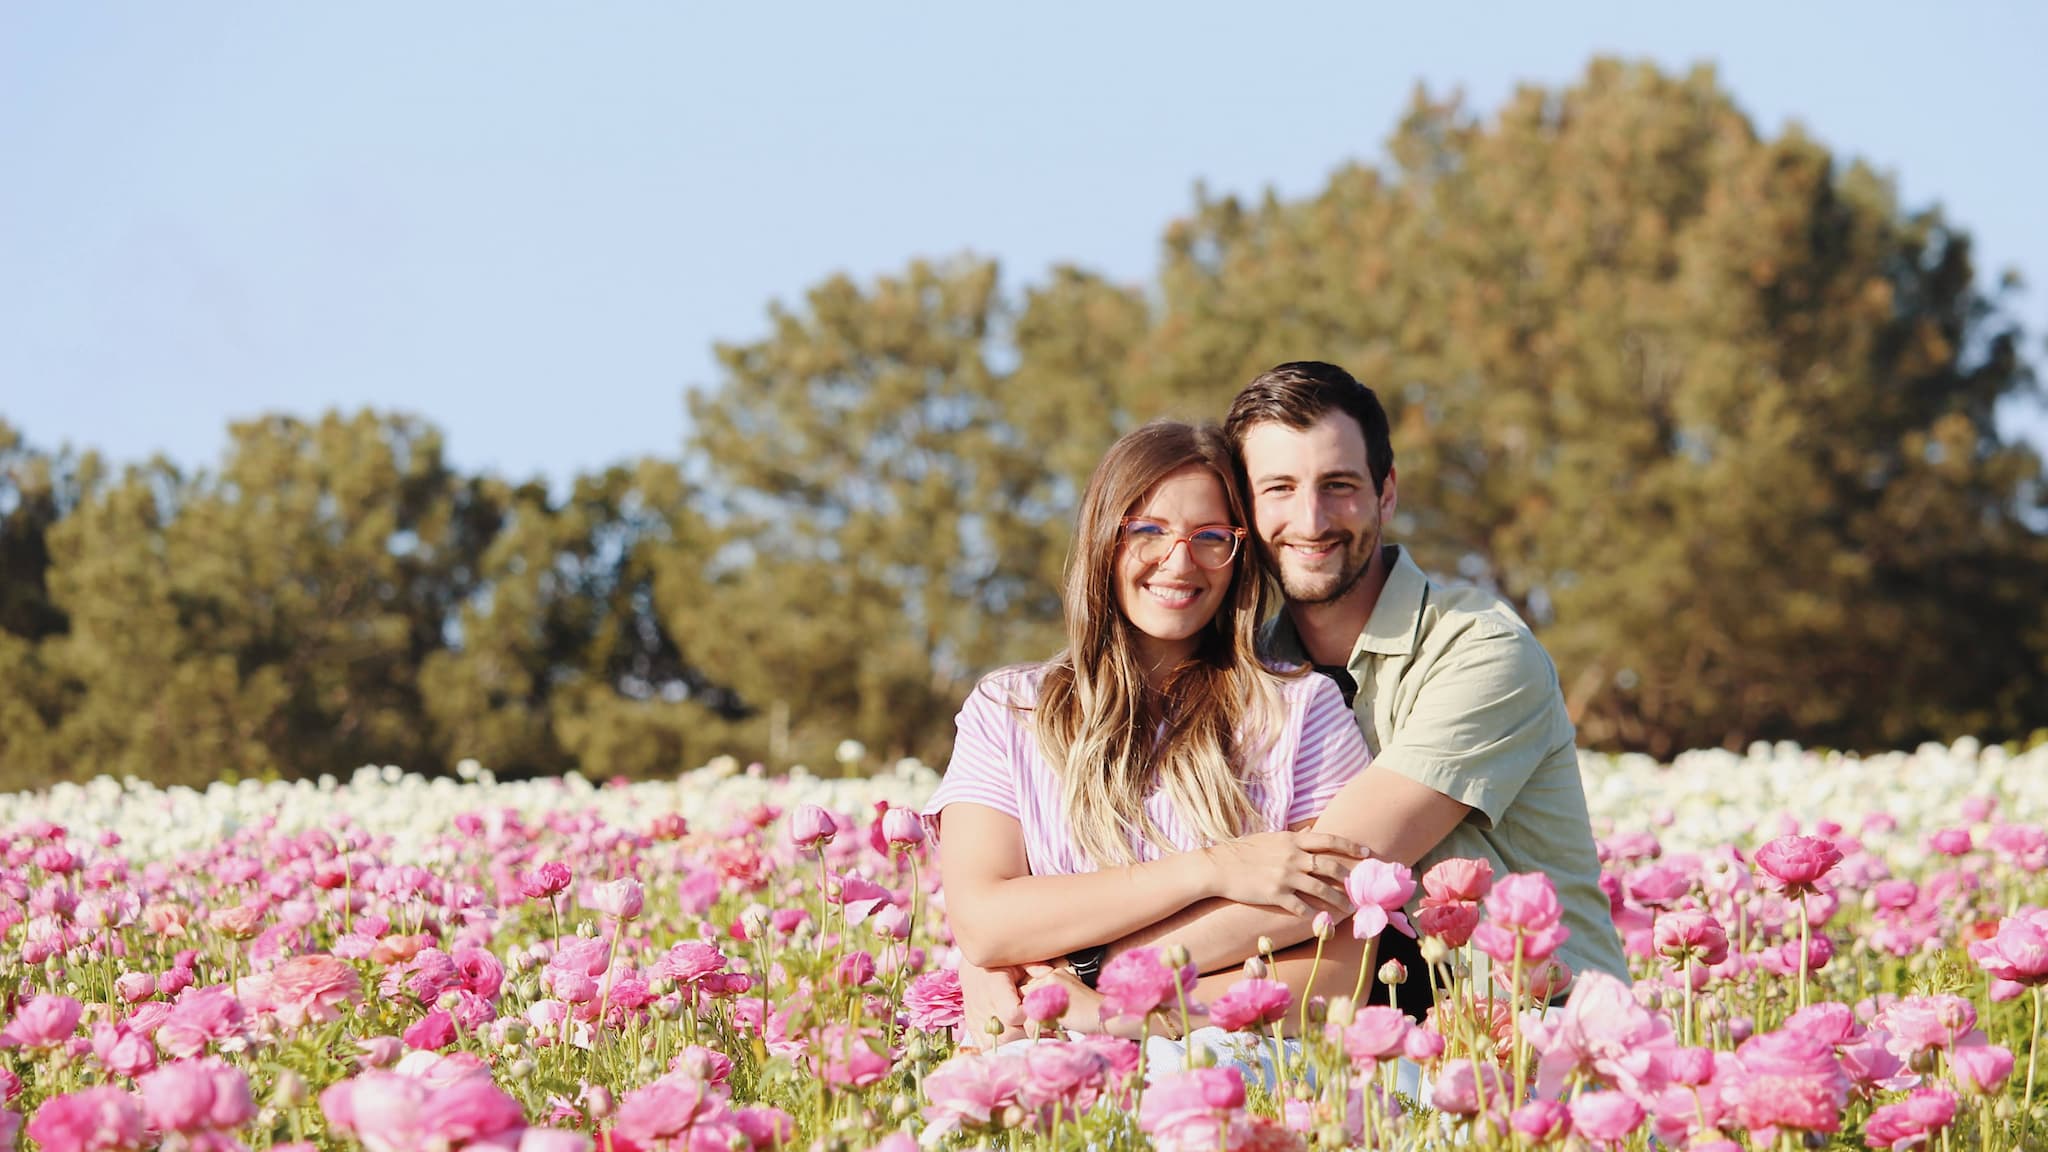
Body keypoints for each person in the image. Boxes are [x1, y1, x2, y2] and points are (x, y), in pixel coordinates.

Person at [957, 361, 1628, 1039]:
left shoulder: (1479, 653)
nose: (1310, 519)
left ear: (1386, 493)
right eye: (1279, 488)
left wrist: (1070, 967)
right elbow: (984, 921)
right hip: (1390, 1045)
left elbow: (1321, 891)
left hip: (1535, 1034)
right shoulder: (1260, 673)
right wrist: (1005, 943)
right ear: (1247, 513)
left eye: (1339, 486)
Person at [921, 419, 1378, 1059]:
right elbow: (985, 924)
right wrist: (1211, 870)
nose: (1180, 561)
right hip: (1046, 1072)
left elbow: (1339, 974)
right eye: (1148, 531)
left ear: (1238, 552)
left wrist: (1120, 1010)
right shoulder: (1010, 708)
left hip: (1232, 1071)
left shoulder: (1302, 712)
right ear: (1103, 540)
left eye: (1211, 537)